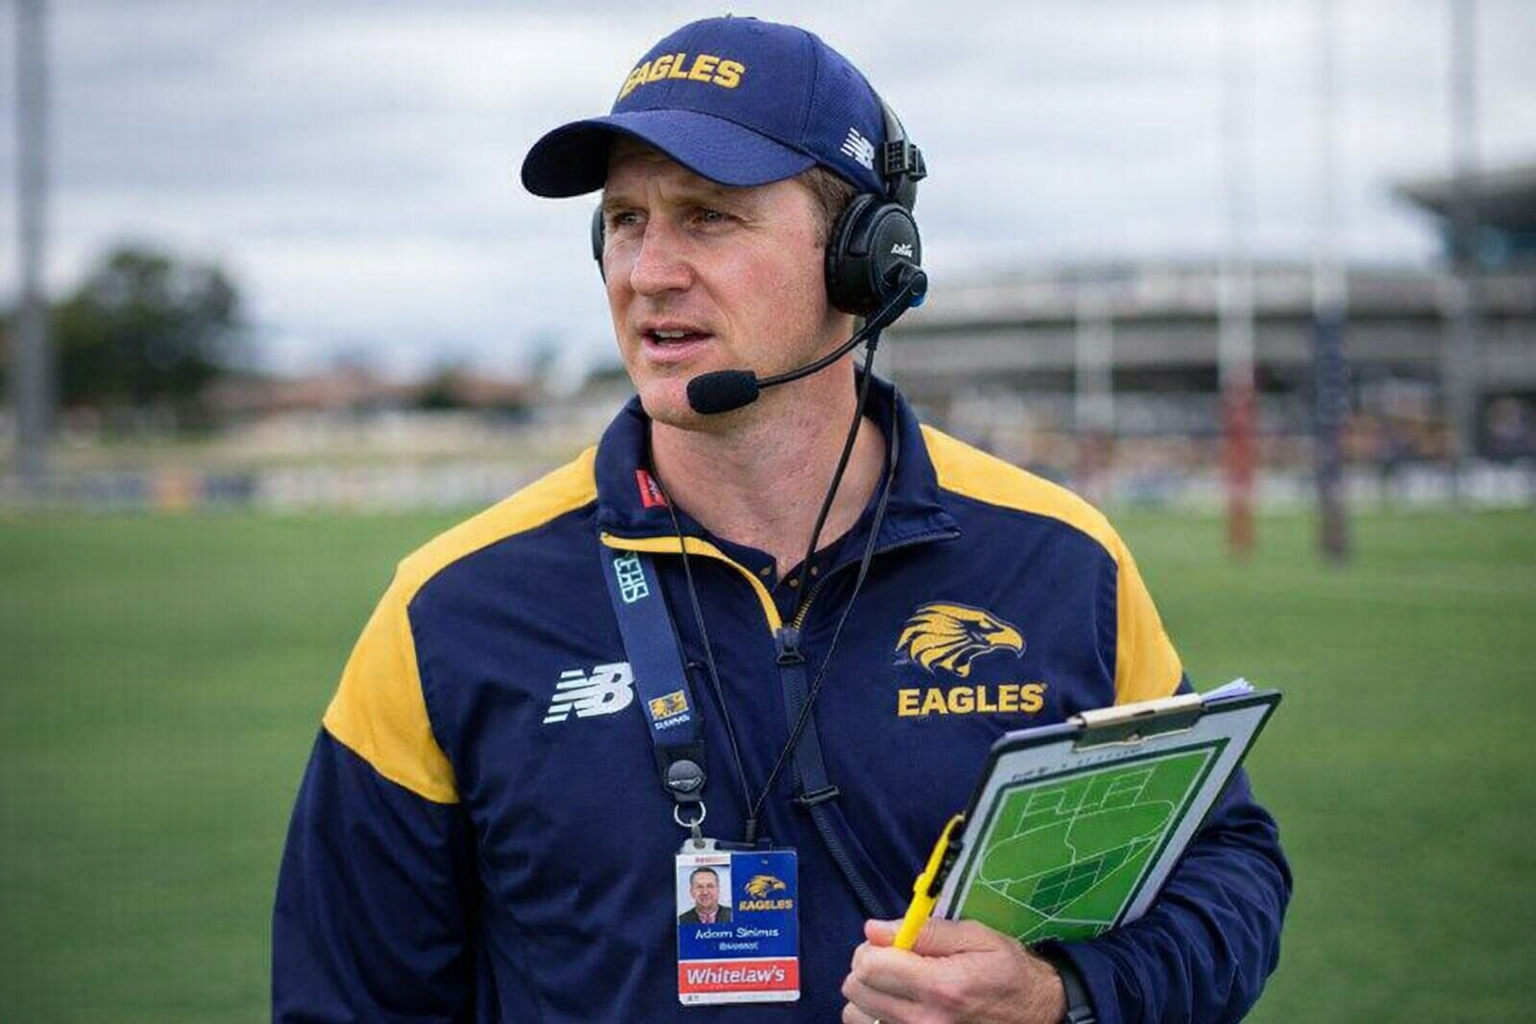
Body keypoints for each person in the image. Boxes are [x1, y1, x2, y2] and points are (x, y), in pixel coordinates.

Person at [272, 16, 1289, 1024]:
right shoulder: (448, 608)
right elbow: (347, 1001)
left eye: (708, 216)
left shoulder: (1062, 559)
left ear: (863, 258)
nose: (647, 271)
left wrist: (1061, 997)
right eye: (625, 220)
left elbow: (1225, 870)